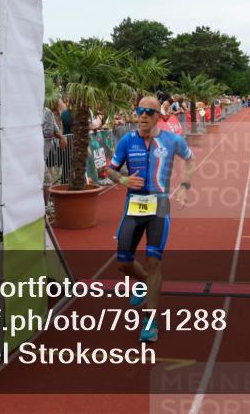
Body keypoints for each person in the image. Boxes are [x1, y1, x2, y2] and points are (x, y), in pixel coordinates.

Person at [104, 96, 195, 343]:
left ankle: (150, 321)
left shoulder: (171, 140)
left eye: (148, 112)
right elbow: (109, 170)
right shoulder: (127, 141)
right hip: (133, 205)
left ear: (158, 116)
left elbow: (189, 159)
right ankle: (145, 282)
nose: (143, 115)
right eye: (139, 111)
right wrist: (122, 180)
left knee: (154, 262)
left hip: (159, 205)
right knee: (123, 263)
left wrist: (185, 186)